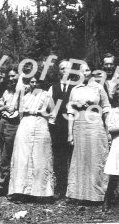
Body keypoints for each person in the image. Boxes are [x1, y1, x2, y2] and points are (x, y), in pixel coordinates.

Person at [66, 61, 111, 203]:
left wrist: (108, 129)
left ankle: (97, 195)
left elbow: (106, 108)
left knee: (95, 157)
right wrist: (70, 133)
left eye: (87, 70)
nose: (84, 73)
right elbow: (70, 112)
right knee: (80, 159)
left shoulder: (98, 87)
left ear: (91, 71)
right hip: (79, 126)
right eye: (82, 71)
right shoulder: (75, 89)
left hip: (95, 124)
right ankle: (78, 195)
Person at [8, 72, 55, 199]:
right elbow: (17, 111)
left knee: (40, 157)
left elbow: (53, 113)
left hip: (41, 124)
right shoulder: (24, 95)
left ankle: (41, 192)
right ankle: (20, 191)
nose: (34, 84)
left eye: (36, 82)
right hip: (26, 124)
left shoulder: (46, 95)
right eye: (31, 82)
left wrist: (48, 124)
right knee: (22, 157)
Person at [47, 59, 74, 199]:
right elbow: (51, 109)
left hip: (72, 126)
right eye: (62, 68)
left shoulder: (76, 87)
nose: (65, 71)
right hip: (58, 127)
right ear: (59, 71)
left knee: (73, 157)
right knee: (59, 158)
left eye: (67, 68)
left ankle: (73, 189)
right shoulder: (53, 88)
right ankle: (60, 187)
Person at [0, 66, 20, 195]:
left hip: (13, 123)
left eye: (14, 76)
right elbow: (1, 107)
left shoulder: (21, 90)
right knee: (2, 151)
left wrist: (3, 106)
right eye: (9, 76)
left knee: (7, 154)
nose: (11, 79)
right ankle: (2, 183)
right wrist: (2, 106)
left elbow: (14, 108)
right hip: (3, 122)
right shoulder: (7, 91)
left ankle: (4, 184)